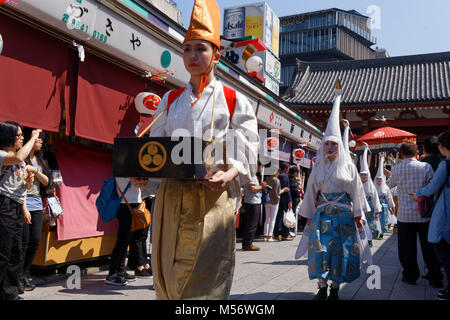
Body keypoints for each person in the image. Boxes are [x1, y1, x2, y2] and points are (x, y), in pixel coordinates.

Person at [135, 0, 259, 300]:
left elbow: (247, 145)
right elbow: (158, 146)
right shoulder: (171, 99)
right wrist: (144, 174)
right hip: (171, 195)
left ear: (216, 55)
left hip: (213, 196)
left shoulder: (233, 99)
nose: (192, 55)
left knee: (206, 273)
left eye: (200, 49)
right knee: (168, 267)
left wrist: (229, 174)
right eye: (187, 48)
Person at [297, 81, 367, 300]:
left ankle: (335, 287)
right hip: (322, 214)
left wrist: (358, 214)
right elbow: (310, 192)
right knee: (320, 250)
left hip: (343, 217)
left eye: (334, 144)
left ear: (340, 146)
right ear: (323, 144)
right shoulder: (317, 168)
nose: (330, 148)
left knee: (340, 252)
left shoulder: (348, 167)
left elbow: (356, 191)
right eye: (327, 144)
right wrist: (308, 215)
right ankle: (321, 286)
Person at [385, 142, 443, 288]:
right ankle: (435, 276)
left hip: (404, 214)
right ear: (417, 153)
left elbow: (388, 186)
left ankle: (410, 275)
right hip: (423, 213)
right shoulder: (426, 167)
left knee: (406, 247)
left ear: (402, 154)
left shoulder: (397, 168)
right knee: (428, 247)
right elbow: (433, 185)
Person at [0, 121, 41, 300]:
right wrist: (33, 138)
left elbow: (23, 185)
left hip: (16, 205)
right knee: (3, 251)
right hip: (4, 204)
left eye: (23, 135)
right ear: (8, 136)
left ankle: (10, 293)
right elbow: (18, 158)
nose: (22, 138)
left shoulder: (20, 160)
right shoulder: (2, 155)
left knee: (16, 251)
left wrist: (29, 182)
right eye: (19, 135)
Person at [415, 130, 450, 300]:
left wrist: (419, 194)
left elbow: (433, 187)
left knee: (441, 248)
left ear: (443, 146)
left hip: (444, 211)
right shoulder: (442, 161)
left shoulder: (445, 164)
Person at [20, 130, 51, 292]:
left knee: (34, 241)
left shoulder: (40, 159)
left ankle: (25, 273)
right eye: (39, 140)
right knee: (23, 243)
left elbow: (47, 181)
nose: (41, 143)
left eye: (41, 140)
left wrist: (36, 171)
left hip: (37, 204)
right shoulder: (21, 158)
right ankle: (18, 276)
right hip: (22, 204)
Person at [105, 177, 148, 285]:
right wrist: (141, 179)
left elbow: (142, 182)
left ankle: (121, 270)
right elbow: (138, 181)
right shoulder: (123, 166)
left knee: (126, 240)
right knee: (122, 241)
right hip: (125, 204)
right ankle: (112, 273)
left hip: (132, 203)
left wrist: (141, 180)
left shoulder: (129, 165)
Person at [241, 163, 267, 251]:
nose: (260, 168)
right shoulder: (251, 175)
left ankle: (247, 243)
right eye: (260, 166)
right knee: (251, 224)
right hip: (252, 202)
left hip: (252, 201)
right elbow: (252, 188)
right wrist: (262, 187)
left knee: (250, 223)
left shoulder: (253, 175)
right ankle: (248, 244)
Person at [359, 146, 383, 243]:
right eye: (362, 174)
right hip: (359, 206)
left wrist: (376, 209)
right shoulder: (357, 184)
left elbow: (375, 198)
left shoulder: (371, 187)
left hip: (369, 207)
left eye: (365, 174)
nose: (363, 176)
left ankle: (369, 240)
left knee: (370, 223)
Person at [264, 168, 290, 242]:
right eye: (278, 172)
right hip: (275, 201)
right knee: (272, 219)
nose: (278, 174)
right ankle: (269, 236)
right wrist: (284, 190)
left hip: (267, 201)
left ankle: (265, 235)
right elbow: (278, 192)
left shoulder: (267, 179)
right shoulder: (276, 180)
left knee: (267, 219)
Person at [373, 155, 395, 239]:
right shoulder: (373, 187)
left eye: (380, 179)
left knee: (383, 220)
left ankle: (381, 233)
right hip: (375, 205)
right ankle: (376, 232)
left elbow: (389, 197)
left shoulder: (386, 188)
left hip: (383, 206)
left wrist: (391, 207)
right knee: (375, 220)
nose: (378, 180)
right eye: (377, 179)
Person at [273, 162, 294, 241]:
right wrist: (289, 201)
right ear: (285, 169)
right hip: (284, 199)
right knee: (284, 217)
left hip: (278, 198)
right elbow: (287, 189)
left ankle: (276, 233)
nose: (288, 170)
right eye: (288, 168)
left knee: (278, 217)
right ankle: (285, 234)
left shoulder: (278, 175)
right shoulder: (284, 176)